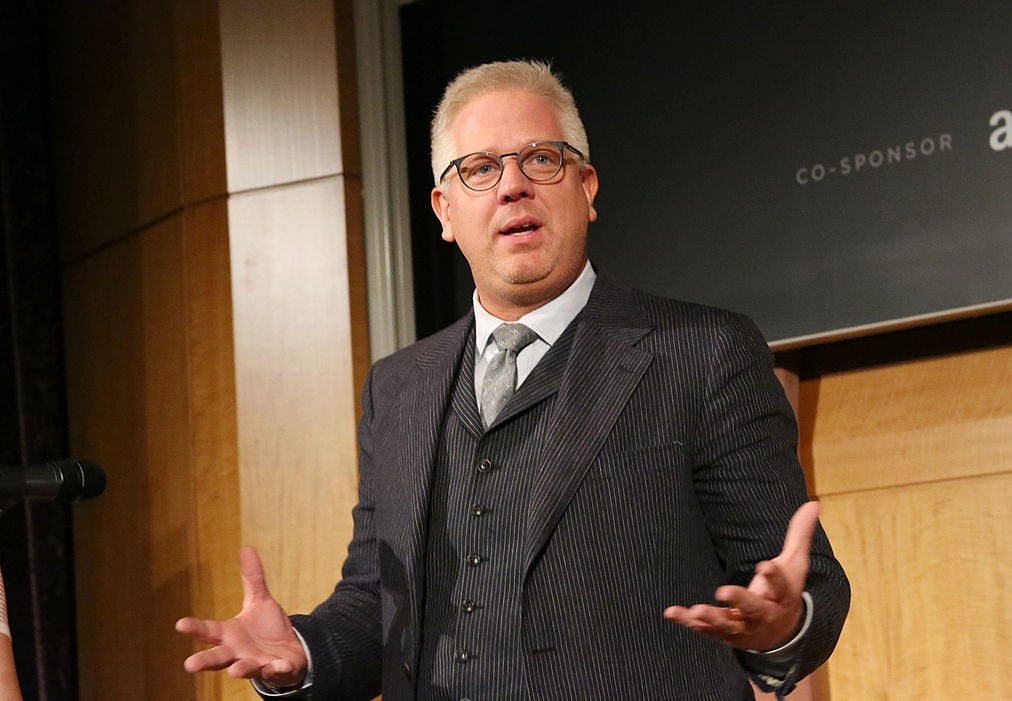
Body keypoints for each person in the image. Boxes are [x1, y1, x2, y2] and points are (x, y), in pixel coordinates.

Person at [176, 59, 850, 700]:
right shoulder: (398, 388)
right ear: (443, 210)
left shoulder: (701, 352)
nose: (512, 184)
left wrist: (781, 626)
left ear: (585, 189)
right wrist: (301, 651)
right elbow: (377, 603)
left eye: (541, 158)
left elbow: (796, 582)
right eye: (479, 168)